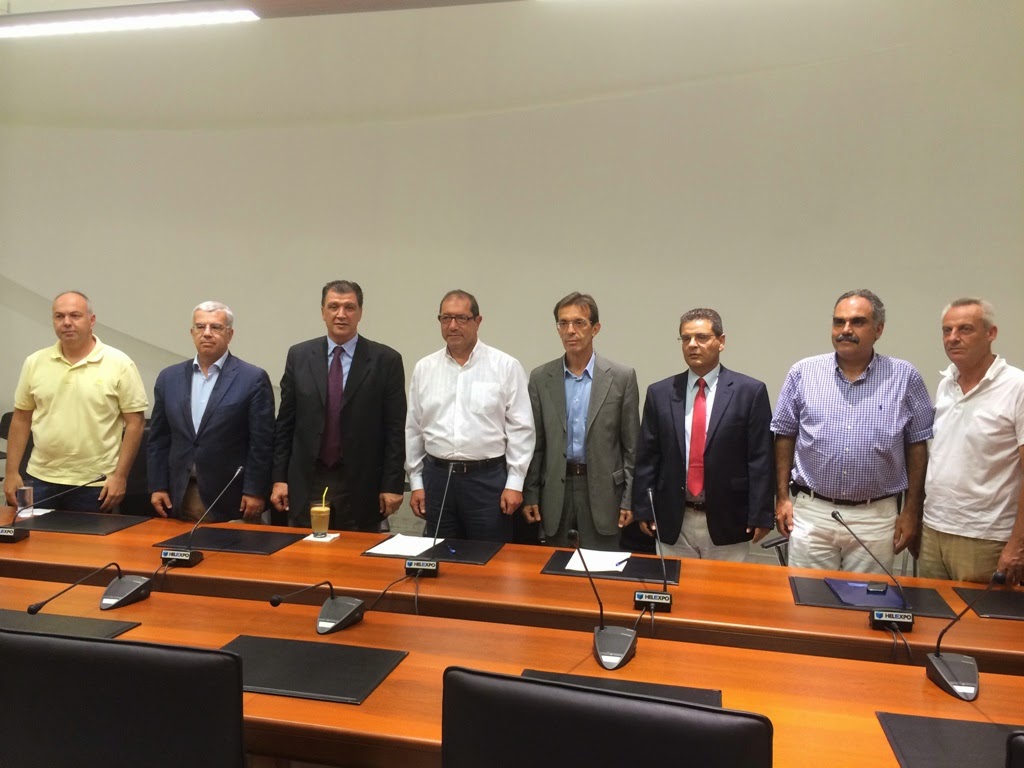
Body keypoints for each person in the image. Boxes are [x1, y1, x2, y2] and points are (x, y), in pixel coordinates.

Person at [772, 289, 933, 573]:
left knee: (865, 597)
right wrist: (782, 498)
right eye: (839, 322)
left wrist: (911, 511)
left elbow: (917, 447)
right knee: (807, 596)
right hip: (813, 512)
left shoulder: (904, 376)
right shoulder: (803, 372)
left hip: (875, 516)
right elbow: (784, 435)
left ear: (878, 329)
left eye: (857, 322)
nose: (846, 330)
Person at [632, 308, 774, 561]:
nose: (692, 345)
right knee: (675, 585)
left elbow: (760, 459)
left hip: (729, 517)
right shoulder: (660, 393)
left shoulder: (749, 392)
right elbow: (648, 457)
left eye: (701, 337)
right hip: (673, 518)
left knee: (725, 587)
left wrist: (761, 513)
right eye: (686, 338)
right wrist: (643, 508)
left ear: (721, 342)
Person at [271, 280, 406, 531]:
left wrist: (392, 484)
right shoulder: (299, 356)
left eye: (349, 307)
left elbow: (395, 429)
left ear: (360, 313)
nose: (341, 314)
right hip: (308, 478)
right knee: (305, 549)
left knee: (355, 552)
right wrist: (279, 479)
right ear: (323, 312)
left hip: (361, 482)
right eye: (333, 307)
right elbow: (285, 424)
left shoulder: (386, 361)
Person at [406, 289, 535, 542]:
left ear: (478, 321)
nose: (453, 326)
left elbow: (521, 429)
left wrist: (515, 482)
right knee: (439, 554)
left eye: (461, 318)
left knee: (489, 556)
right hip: (437, 479)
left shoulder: (505, 366)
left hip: (487, 481)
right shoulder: (425, 368)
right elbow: (414, 430)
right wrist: (416, 482)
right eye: (446, 318)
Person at [4, 290, 147, 512]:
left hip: (96, 483)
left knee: (90, 537)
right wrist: (11, 473)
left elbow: (135, 423)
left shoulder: (120, 363)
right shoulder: (35, 362)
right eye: (59, 316)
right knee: (25, 533)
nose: (67, 322)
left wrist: (120, 476)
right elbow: (21, 418)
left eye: (75, 315)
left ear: (92, 320)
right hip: (37, 478)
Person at [522, 293, 639, 550]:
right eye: (563, 323)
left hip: (603, 491)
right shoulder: (541, 378)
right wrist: (530, 493)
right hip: (555, 490)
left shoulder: (621, 378)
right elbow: (536, 444)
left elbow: (631, 448)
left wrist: (630, 498)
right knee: (555, 566)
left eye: (579, 323)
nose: (570, 330)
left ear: (595, 328)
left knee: (601, 566)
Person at [919, 298, 1024, 585]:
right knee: (930, 612)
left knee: (979, 616)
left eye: (965, 329)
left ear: (991, 333)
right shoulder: (946, 383)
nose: (953, 338)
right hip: (934, 531)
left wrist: (1017, 544)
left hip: (986, 539)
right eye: (947, 330)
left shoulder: (1017, 387)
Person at [147, 301, 275, 523]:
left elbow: (262, 443)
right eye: (200, 327)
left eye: (215, 327)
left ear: (230, 334)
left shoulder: (252, 378)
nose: (207, 333)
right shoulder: (169, 378)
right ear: (192, 332)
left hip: (231, 495)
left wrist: (255, 490)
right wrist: (157, 485)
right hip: (180, 492)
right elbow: (159, 439)